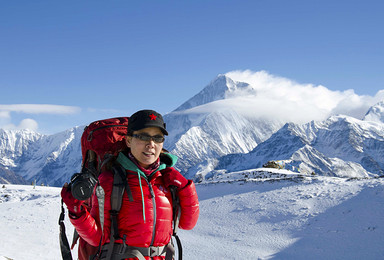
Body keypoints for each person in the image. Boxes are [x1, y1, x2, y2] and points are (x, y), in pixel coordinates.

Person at [61, 109, 200, 260]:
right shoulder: (110, 180)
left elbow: (188, 224)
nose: (151, 144)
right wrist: (77, 213)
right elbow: (97, 238)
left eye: (157, 138)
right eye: (143, 136)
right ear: (128, 141)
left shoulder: (168, 181)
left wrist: (186, 188)